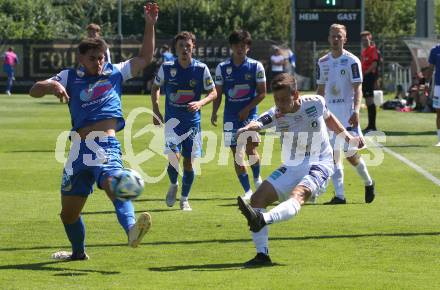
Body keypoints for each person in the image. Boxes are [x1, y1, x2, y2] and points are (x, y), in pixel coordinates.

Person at [28, 3, 159, 260]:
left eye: (101, 58)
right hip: (77, 149)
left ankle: (132, 229)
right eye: (92, 59)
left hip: (104, 145)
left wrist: (149, 25)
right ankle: (78, 253)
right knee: (68, 213)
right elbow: (34, 89)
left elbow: (145, 58)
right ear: (80, 58)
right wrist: (51, 85)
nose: (98, 63)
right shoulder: (69, 76)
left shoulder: (115, 72)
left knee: (113, 185)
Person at [236, 73, 364, 267]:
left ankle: (262, 219)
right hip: (292, 165)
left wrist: (348, 137)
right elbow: (259, 122)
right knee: (257, 199)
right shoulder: (276, 113)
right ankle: (262, 255)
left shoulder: (316, 103)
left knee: (299, 194)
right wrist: (247, 129)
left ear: (296, 94)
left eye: (283, 99)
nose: (279, 104)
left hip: (321, 161)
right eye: (276, 99)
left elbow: (330, 120)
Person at [151, 31, 217, 211]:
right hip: (173, 123)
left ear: (193, 47)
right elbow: (155, 87)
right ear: (176, 48)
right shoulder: (166, 67)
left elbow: (214, 92)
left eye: (188, 46)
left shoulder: (201, 69)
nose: (184, 49)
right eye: (181, 46)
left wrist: (201, 102)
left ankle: (185, 199)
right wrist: (156, 110)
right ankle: (173, 184)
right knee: (173, 158)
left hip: (192, 124)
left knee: (188, 162)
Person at [317, 24, 375, 205]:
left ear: (345, 39)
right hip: (329, 117)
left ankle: (368, 182)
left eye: (339, 36)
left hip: (348, 115)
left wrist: (356, 111)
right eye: (333, 36)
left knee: (351, 156)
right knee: (333, 155)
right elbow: (319, 89)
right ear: (328, 38)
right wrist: (317, 113)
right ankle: (340, 195)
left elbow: (358, 88)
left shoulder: (352, 61)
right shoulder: (322, 62)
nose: (335, 39)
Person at [211, 30, 266, 200]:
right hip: (230, 116)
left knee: (251, 148)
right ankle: (248, 191)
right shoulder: (222, 68)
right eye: (236, 46)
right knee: (236, 154)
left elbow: (262, 93)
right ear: (231, 47)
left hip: (249, 116)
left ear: (248, 47)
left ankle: (257, 178)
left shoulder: (256, 66)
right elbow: (218, 93)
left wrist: (247, 109)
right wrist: (214, 111)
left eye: (243, 46)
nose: (239, 49)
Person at [360, 30, 380, 132]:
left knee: (370, 101)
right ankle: (370, 125)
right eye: (362, 39)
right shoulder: (364, 51)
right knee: (368, 101)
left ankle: (372, 126)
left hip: (369, 77)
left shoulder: (373, 50)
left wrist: (365, 73)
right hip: (365, 77)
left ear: (370, 38)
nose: (364, 41)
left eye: (366, 39)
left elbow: (374, 64)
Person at [427, 43, 440, 146]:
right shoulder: (434, 50)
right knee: (439, 113)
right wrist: (427, 83)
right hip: (438, 87)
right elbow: (431, 68)